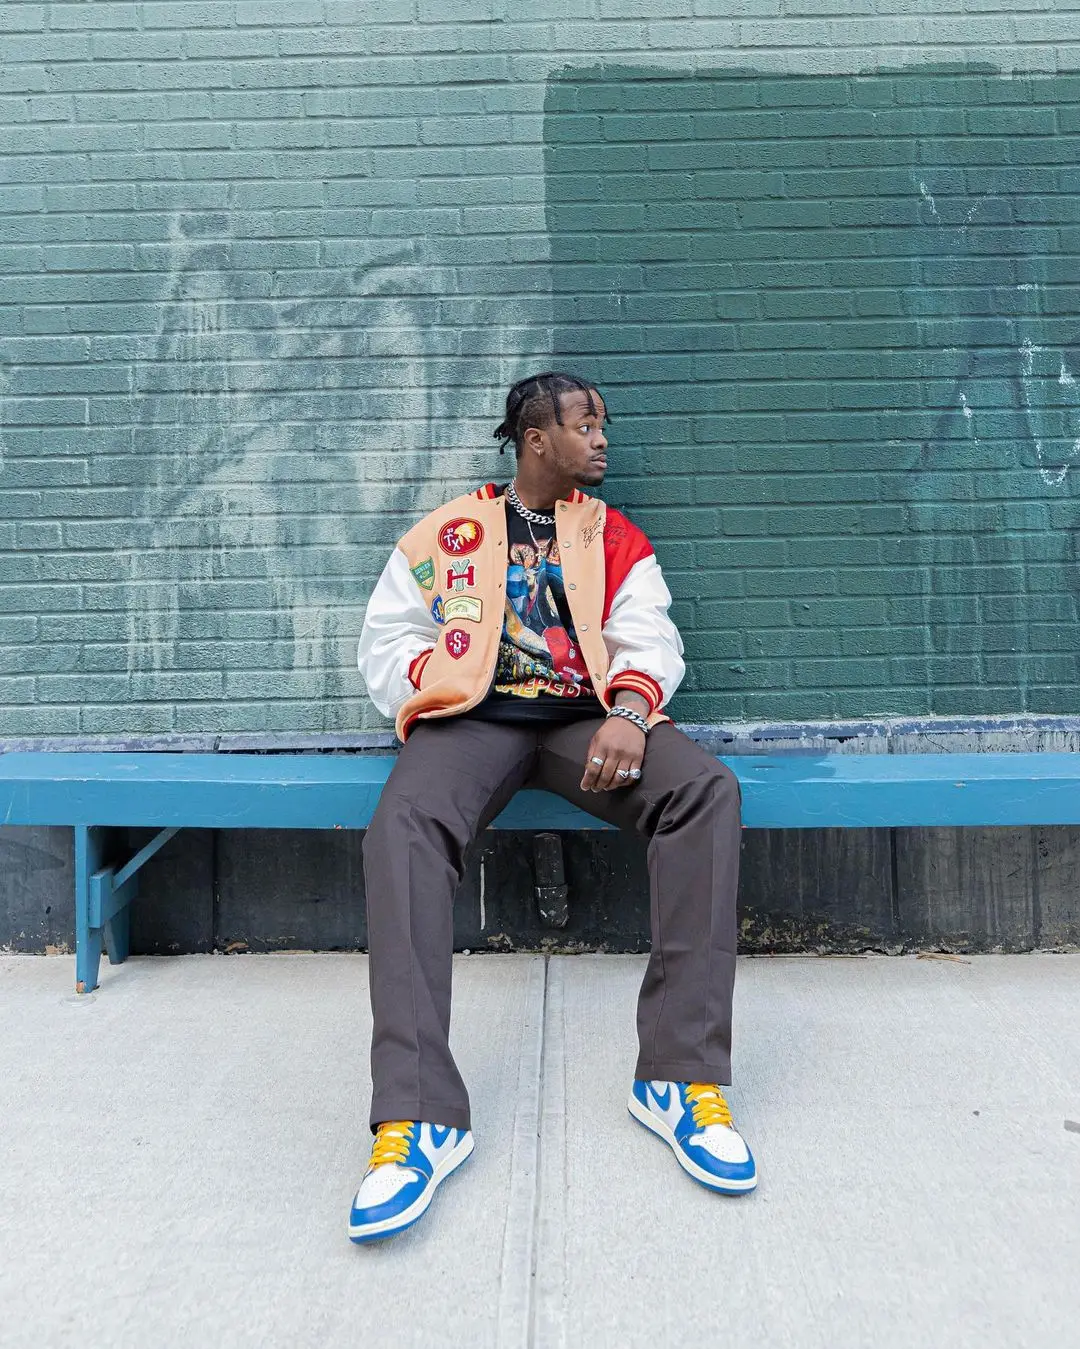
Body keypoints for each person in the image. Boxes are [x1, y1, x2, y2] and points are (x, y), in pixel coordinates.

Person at [351, 371, 755, 1244]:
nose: (601, 439)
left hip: (585, 724)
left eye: (602, 424)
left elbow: (651, 633)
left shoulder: (612, 535)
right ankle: (417, 1114)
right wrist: (442, 678)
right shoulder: (451, 533)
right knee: (404, 826)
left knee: (704, 791)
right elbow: (387, 638)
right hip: (474, 724)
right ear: (537, 439)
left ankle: (680, 1075)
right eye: (585, 425)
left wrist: (631, 711)